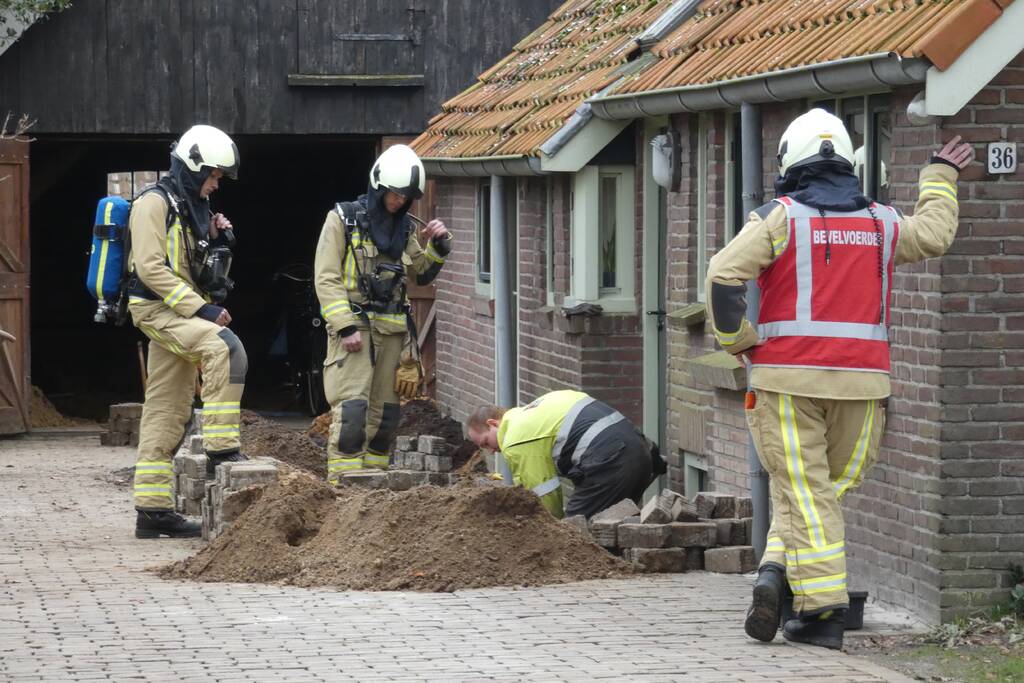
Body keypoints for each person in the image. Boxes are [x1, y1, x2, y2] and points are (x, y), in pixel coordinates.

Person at [706, 108, 973, 650]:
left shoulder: (779, 218)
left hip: (785, 382)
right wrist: (940, 175)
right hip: (863, 387)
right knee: (819, 492)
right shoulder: (883, 222)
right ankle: (776, 575)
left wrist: (739, 342)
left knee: (806, 493)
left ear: (792, 161)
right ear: (848, 161)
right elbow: (936, 235)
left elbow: (721, 275)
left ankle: (823, 611)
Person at [128, 124, 248, 539]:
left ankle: (152, 511)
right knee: (225, 348)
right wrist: (202, 308)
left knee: (167, 407)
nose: (215, 185)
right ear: (194, 167)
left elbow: (195, 268)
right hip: (156, 309)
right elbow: (150, 267)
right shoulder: (153, 204)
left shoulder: (189, 208)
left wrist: (217, 240)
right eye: (213, 176)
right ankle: (220, 449)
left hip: (176, 310)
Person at [314, 144, 452, 482]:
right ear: (378, 187)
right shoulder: (341, 220)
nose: (399, 202)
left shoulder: (404, 229)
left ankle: (373, 488)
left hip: (391, 334)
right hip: (355, 332)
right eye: (394, 195)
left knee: (386, 417)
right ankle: (344, 489)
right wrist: (345, 326)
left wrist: (439, 246)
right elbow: (326, 277)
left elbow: (420, 272)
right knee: (352, 413)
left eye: (405, 197)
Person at [466, 390, 662, 519]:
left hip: (614, 463)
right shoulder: (540, 406)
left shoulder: (515, 438)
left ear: (493, 424)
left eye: (486, 443)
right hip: (643, 452)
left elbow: (544, 494)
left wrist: (551, 532)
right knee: (615, 523)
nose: (492, 451)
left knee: (575, 532)